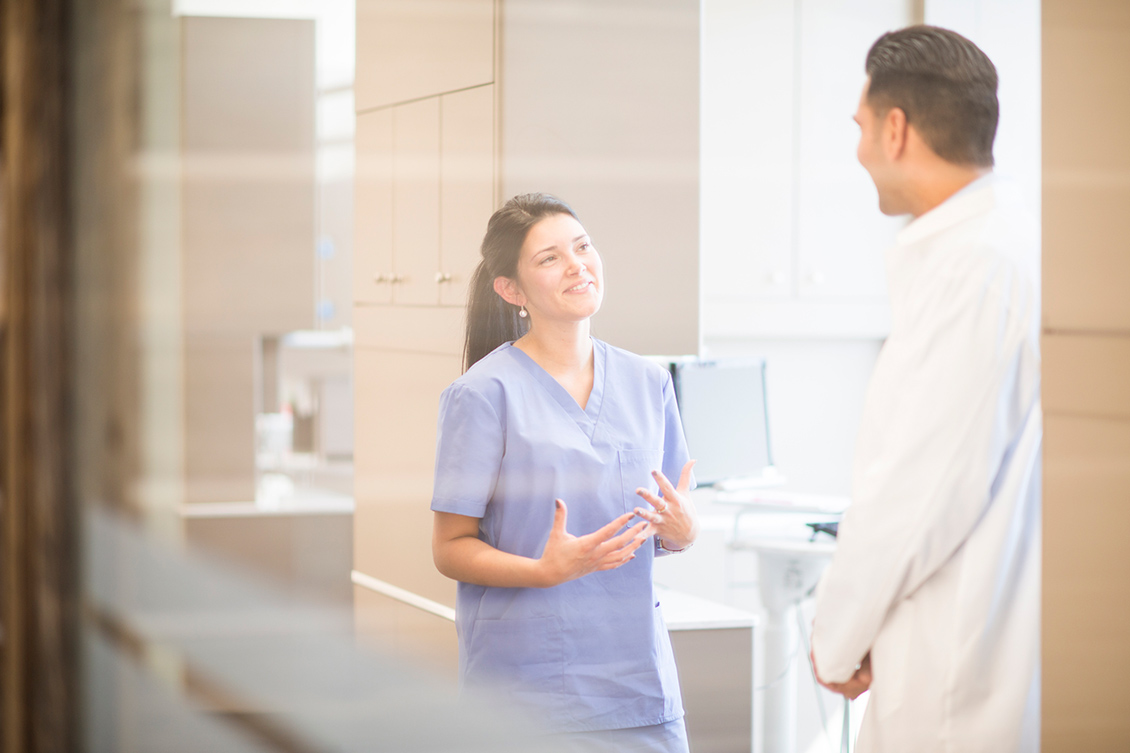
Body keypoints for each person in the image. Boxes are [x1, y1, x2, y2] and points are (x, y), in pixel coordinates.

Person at [810, 25, 1041, 753]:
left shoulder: (975, 267)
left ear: (897, 128)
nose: (858, 150)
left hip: (957, 673)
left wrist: (835, 639)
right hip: (978, 647)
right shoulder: (1005, 242)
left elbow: (916, 495)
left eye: (860, 127)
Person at [430, 193, 700, 752]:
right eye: (550, 258)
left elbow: (666, 524)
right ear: (512, 290)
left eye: (582, 247)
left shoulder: (648, 383)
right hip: (526, 694)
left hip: (637, 687)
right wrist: (543, 571)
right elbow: (449, 547)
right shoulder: (482, 395)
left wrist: (684, 532)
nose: (577, 264)